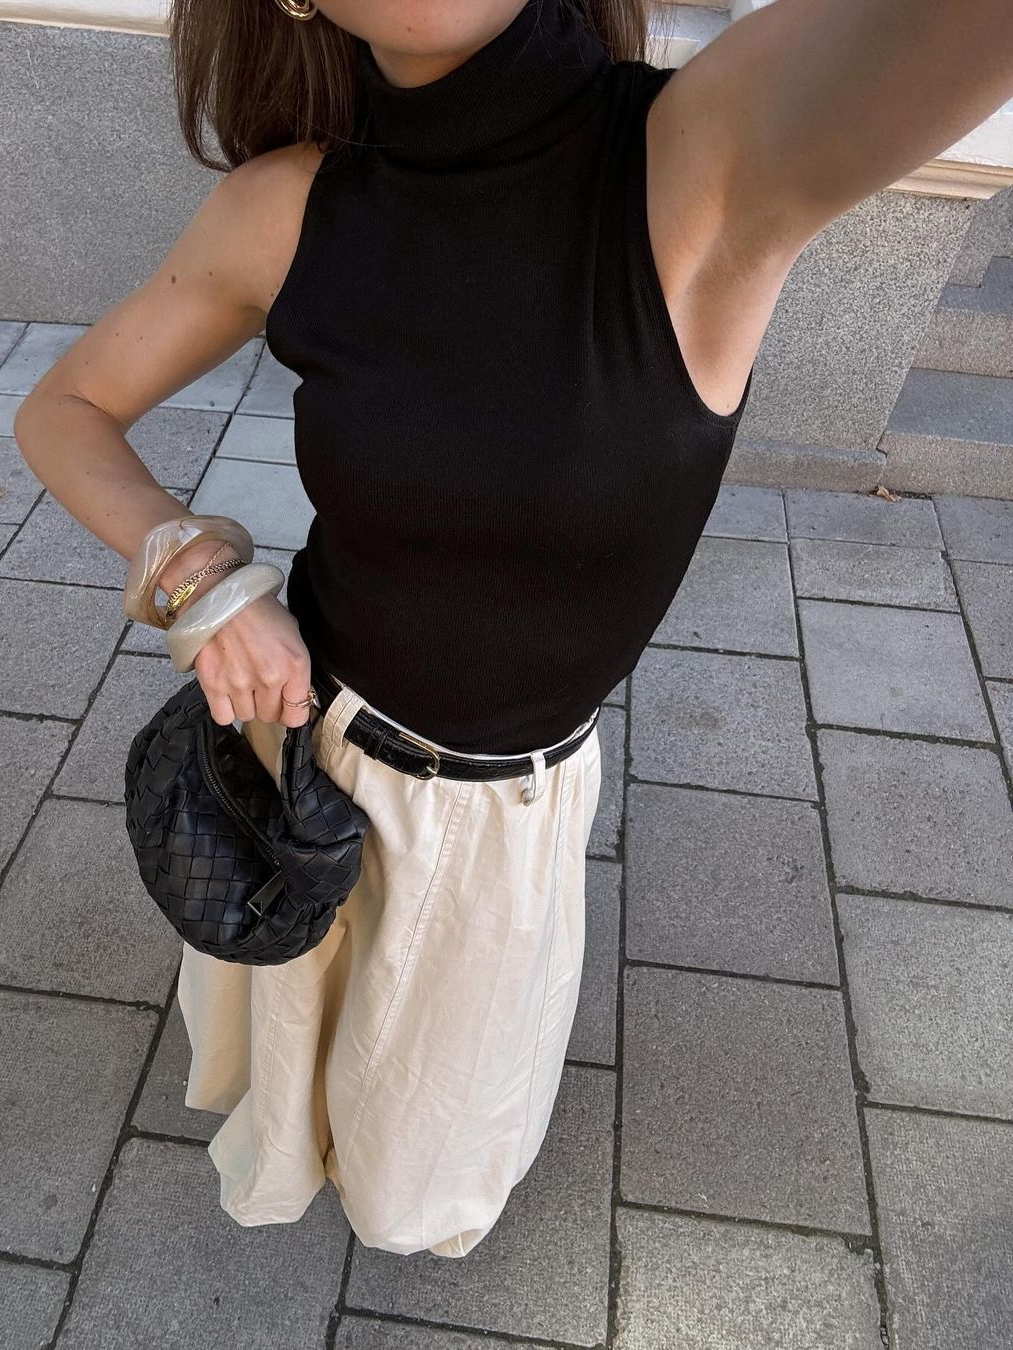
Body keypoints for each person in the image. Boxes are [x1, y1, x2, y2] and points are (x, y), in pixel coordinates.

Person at [14, 0, 1012, 1258]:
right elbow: (65, 407)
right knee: (283, 1078)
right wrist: (202, 582)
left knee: (416, 1170)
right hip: (294, 760)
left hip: (496, 826)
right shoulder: (287, 207)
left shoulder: (695, 161)